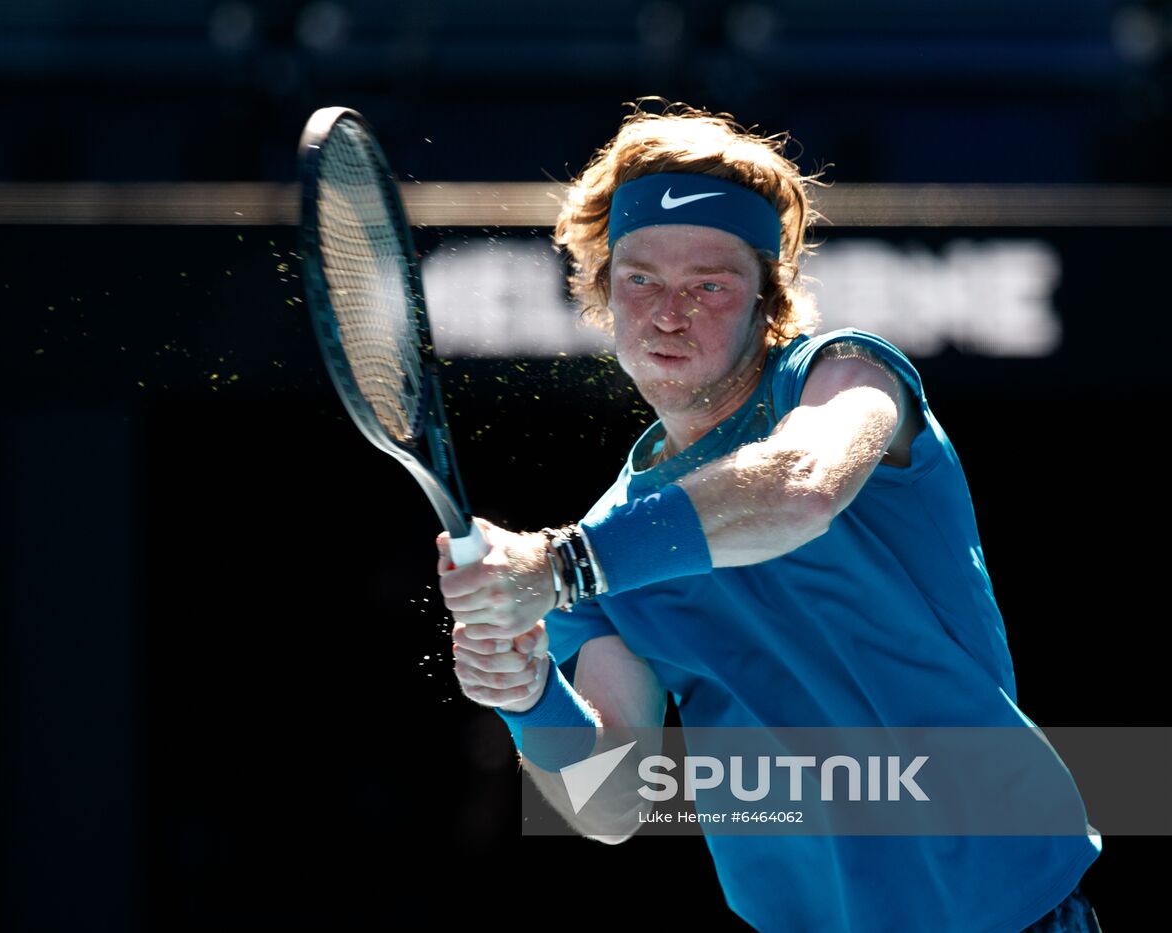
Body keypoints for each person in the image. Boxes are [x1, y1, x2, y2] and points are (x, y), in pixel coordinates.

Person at [435, 102, 1102, 933]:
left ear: (767, 299)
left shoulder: (844, 375)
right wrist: (529, 691)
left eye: (708, 285)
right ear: (603, 292)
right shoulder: (606, 540)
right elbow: (611, 802)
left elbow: (803, 487)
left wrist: (562, 565)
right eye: (640, 278)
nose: (669, 313)